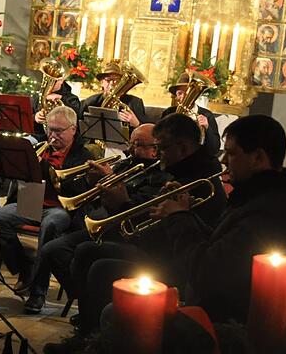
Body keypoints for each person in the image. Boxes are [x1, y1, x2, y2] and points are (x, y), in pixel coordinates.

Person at [55, 114, 227, 344]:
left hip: (174, 262)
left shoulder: (203, 183)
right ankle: (88, 331)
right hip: (157, 249)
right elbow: (152, 222)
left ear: (184, 147)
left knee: (101, 268)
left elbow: (167, 237)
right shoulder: (181, 171)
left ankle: (98, 339)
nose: (159, 153)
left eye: (163, 147)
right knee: (87, 252)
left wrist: (124, 205)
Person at [148, 114, 286, 324]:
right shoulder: (260, 195)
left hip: (223, 321)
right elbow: (220, 247)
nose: (223, 160)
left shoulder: (266, 211)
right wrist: (187, 213)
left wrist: (178, 218)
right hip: (209, 303)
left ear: (257, 158)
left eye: (230, 153)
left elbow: (208, 274)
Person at [22, 124, 168, 314]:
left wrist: (112, 179)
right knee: (51, 249)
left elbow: (138, 209)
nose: (131, 150)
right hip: (102, 225)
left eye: (138, 145)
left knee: (86, 255)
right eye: (130, 144)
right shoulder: (126, 164)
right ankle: (85, 299)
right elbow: (99, 200)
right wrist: (94, 183)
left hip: (125, 233)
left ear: (155, 150)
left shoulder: (160, 176)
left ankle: (90, 309)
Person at [0, 106, 94, 309]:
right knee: (2, 215)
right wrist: (28, 167)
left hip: (61, 208)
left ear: (73, 129)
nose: (52, 135)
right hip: (32, 202)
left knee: (50, 225)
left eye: (58, 130)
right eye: (50, 129)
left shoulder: (83, 156)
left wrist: (52, 170)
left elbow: (80, 190)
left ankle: (37, 291)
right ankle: (25, 268)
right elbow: (22, 180)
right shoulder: (40, 148)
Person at [161, 72, 221, 157]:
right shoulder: (169, 113)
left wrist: (207, 128)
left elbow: (215, 148)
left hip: (198, 158)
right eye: (180, 93)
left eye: (188, 92)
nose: (184, 96)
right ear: (176, 96)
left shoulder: (206, 114)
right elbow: (158, 139)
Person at [80, 62, 146, 128]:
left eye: (116, 80)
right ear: (102, 83)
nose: (112, 83)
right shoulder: (90, 102)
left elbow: (147, 132)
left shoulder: (135, 103)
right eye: (108, 80)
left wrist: (137, 124)